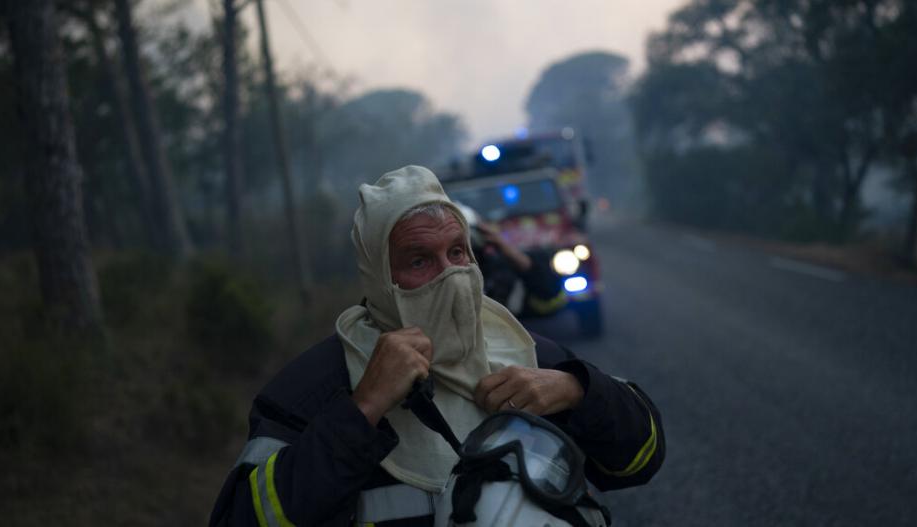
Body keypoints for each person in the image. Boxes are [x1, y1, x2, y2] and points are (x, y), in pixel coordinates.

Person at [209, 166, 664, 526]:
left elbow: (641, 459)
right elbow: (242, 519)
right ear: (379, 278)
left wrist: (576, 390)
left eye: (457, 252)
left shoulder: (528, 355)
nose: (449, 274)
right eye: (419, 260)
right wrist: (362, 409)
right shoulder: (315, 387)